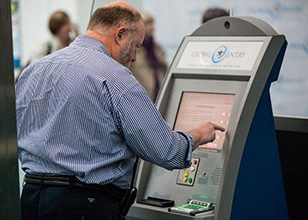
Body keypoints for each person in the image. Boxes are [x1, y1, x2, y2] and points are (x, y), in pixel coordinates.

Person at [16, 1, 225, 220]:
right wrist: (198, 135)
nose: (134, 57)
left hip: (32, 199)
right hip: (85, 205)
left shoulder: (34, 70)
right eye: (136, 45)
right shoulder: (114, 77)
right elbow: (166, 150)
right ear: (120, 35)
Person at [128, 12, 168, 102]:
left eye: (152, 24)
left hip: (159, 96)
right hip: (141, 99)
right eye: (148, 24)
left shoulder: (157, 47)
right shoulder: (132, 49)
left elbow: (165, 70)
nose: (152, 28)